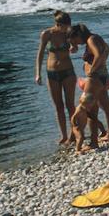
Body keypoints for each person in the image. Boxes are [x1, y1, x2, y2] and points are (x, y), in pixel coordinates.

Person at [69, 23, 109, 144]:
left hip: (94, 78)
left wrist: (91, 72)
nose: (76, 43)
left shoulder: (90, 40)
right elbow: (106, 51)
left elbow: (99, 55)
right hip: (102, 76)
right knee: (107, 108)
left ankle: (93, 142)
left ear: (78, 35)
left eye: (74, 40)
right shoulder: (97, 37)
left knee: (90, 110)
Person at [35, 11, 77, 144]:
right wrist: (38, 73)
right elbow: (40, 54)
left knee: (70, 105)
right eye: (65, 26)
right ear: (58, 24)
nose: (68, 28)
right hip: (51, 73)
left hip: (68, 72)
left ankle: (73, 133)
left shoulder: (68, 34)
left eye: (69, 26)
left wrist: (73, 48)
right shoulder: (46, 34)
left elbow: (75, 46)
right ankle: (63, 135)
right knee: (58, 106)